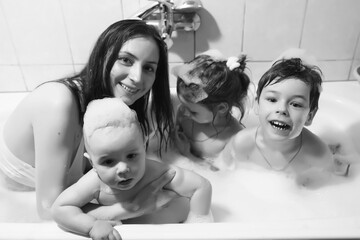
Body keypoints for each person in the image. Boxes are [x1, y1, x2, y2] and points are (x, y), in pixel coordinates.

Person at [0, 19, 176, 219]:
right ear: (102, 57)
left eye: (149, 68)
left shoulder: (119, 107)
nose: (137, 77)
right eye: (126, 60)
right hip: (19, 194)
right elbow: (49, 212)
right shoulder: (58, 103)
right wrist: (131, 208)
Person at [51, 98, 213, 240]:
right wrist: (92, 225)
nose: (123, 168)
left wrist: (197, 223)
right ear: (92, 163)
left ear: (143, 148)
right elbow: (60, 208)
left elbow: (201, 186)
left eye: (131, 156)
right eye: (108, 161)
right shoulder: (94, 183)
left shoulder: (159, 174)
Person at [219, 49, 349, 188]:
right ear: (256, 104)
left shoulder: (317, 155)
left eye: (296, 104)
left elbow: (326, 196)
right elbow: (221, 177)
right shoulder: (242, 143)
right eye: (272, 99)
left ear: (309, 116)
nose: (282, 109)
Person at [169, 50, 251, 170]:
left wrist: (188, 155)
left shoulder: (233, 137)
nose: (184, 111)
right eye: (183, 105)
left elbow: (221, 175)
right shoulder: (184, 113)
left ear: (221, 108)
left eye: (193, 111)